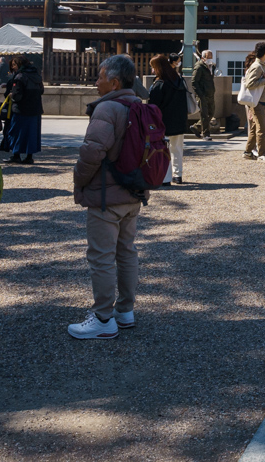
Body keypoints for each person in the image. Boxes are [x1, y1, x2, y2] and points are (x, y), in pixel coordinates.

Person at [69, 54, 150, 340]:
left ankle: (103, 318)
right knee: (127, 252)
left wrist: (78, 180)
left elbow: (92, 153)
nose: (96, 81)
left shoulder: (108, 109)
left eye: (100, 76)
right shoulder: (139, 106)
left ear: (114, 82)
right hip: (133, 192)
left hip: (106, 195)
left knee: (101, 257)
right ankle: (125, 312)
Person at [148, 54, 190, 185]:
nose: (152, 70)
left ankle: (165, 178)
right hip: (179, 120)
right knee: (177, 149)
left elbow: (153, 105)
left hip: (163, 122)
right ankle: (178, 175)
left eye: (153, 67)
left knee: (163, 150)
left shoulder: (159, 84)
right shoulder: (179, 80)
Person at [5, 55, 44, 164]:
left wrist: (11, 95)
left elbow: (17, 96)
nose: (13, 68)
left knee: (17, 132)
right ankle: (29, 156)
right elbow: (41, 90)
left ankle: (16, 155)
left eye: (14, 65)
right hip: (35, 109)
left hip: (21, 109)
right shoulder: (36, 75)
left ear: (19, 65)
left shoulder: (19, 77)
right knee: (31, 134)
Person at [239, 43, 265, 161]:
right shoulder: (257, 66)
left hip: (261, 101)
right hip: (258, 102)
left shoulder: (261, 65)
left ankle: (248, 152)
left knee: (254, 129)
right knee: (262, 129)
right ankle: (262, 154)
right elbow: (250, 84)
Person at [189, 49, 217, 139]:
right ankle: (206, 133)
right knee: (204, 114)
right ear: (203, 57)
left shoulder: (211, 66)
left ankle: (197, 127)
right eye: (208, 57)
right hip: (202, 94)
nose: (210, 58)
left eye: (211, 57)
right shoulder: (199, 67)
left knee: (211, 113)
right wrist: (200, 94)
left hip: (210, 93)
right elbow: (194, 82)